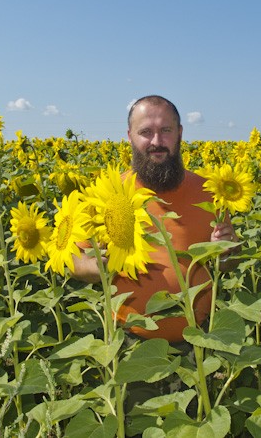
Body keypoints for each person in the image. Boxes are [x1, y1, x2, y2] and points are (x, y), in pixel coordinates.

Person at [72, 95, 239, 343]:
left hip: (200, 340)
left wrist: (227, 252)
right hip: (129, 341)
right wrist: (95, 268)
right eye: (146, 132)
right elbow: (75, 259)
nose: (157, 141)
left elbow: (228, 262)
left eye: (166, 130)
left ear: (180, 133)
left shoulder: (210, 192)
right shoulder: (107, 194)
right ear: (130, 136)